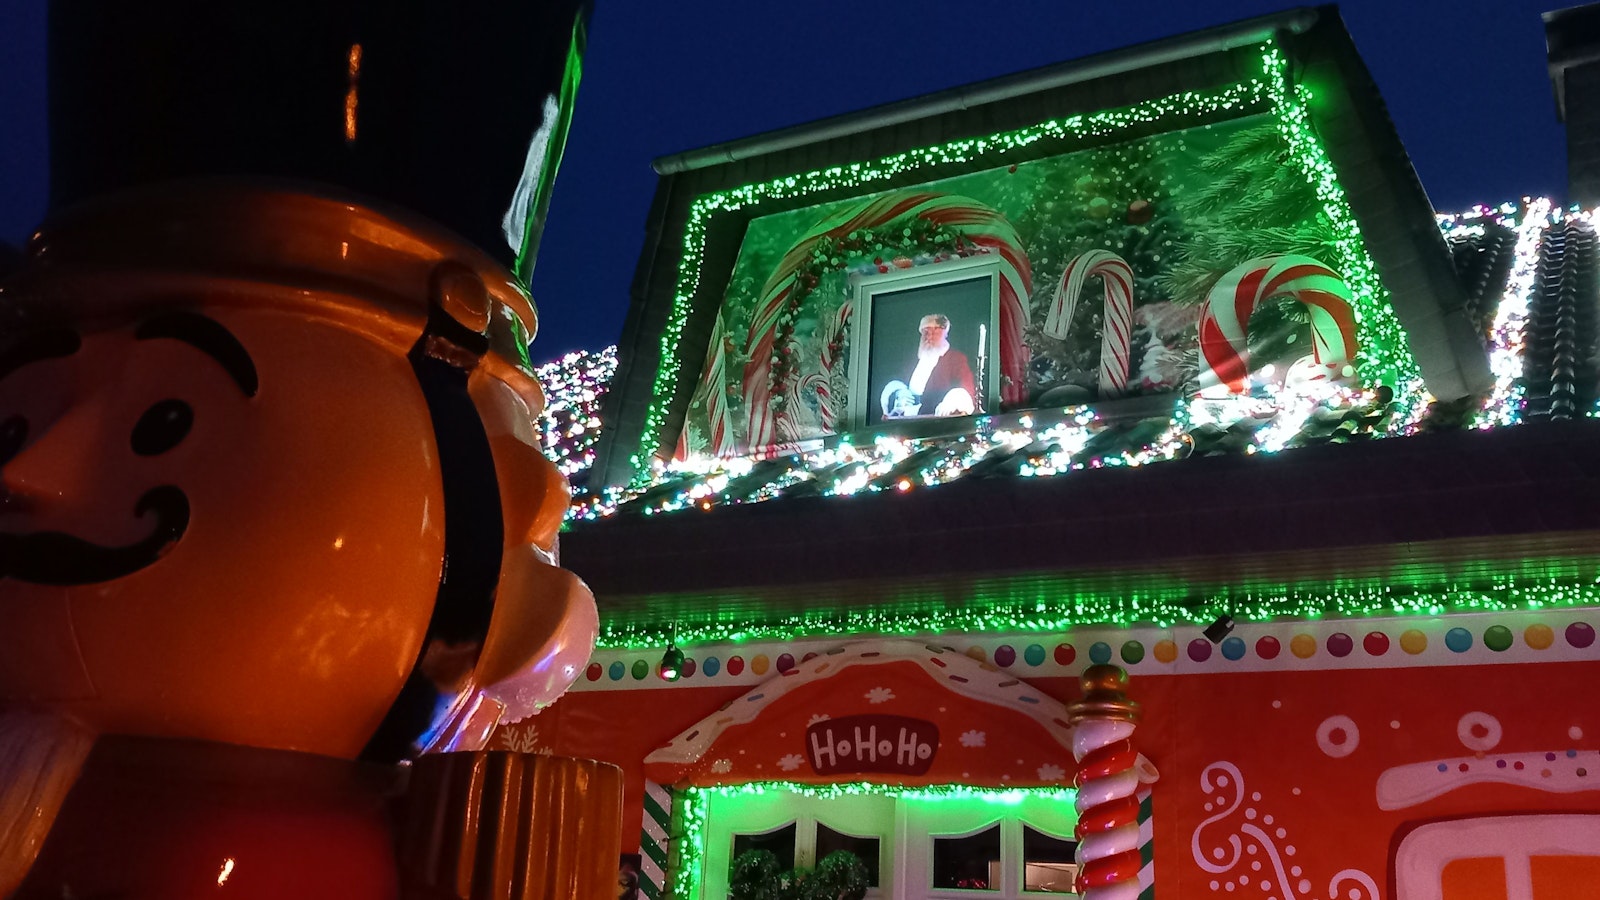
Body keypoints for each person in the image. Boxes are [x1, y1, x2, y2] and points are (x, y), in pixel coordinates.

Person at [880, 313, 978, 419]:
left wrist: (953, 401)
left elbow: (966, 387)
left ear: (944, 332)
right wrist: (898, 393)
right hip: (909, 420)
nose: (928, 336)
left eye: (933, 331)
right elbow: (897, 380)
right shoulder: (912, 359)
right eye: (925, 332)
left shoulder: (956, 358)